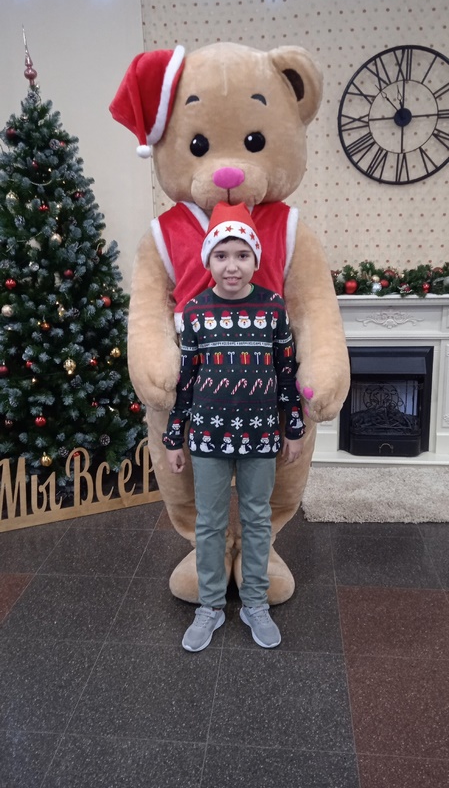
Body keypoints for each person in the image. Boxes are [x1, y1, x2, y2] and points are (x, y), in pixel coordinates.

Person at [162, 202, 305, 652]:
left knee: (257, 519)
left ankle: (255, 603)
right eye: (221, 255)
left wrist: (293, 427)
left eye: (242, 255)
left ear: (255, 260)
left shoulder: (273, 308)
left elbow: (286, 372)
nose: (232, 266)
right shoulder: (196, 313)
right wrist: (174, 437)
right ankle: (209, 606)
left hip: (261, 436)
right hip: (208, 437)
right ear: (208, 260)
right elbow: (186, 380)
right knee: (209, 522)